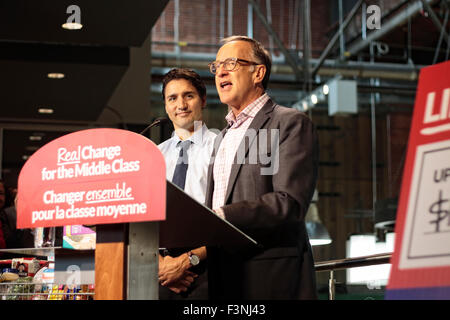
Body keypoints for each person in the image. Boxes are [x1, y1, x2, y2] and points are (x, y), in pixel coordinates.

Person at [205, 36, 319, 299]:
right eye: (216, 66)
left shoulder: (290, 123)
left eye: (230, 63)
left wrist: (220, 216)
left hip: (269, 275)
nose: (220, 71)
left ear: (258, 72)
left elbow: (288, 203)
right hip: (222, 276)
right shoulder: (221, 137)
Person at [157, 68, 217, 299]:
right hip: (161, 272)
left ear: (202, 100)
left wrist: (188, 259)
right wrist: (160, 264)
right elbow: (143, 218)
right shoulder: (154, 156)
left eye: (188, 96)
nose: (180, 104)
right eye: (172, 98)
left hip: (206, 268)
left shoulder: (221, 148)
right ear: (165, 105)